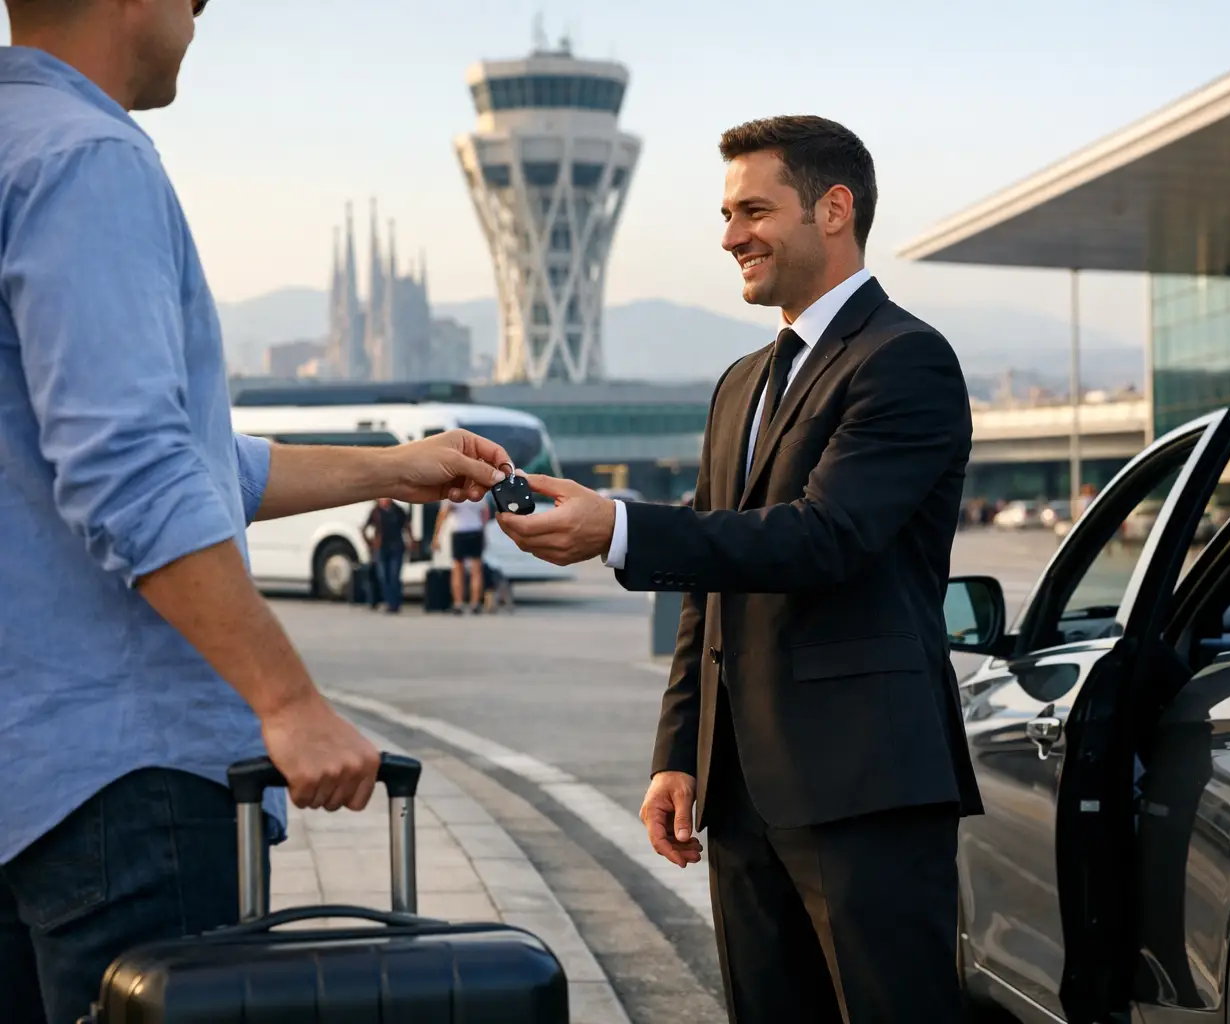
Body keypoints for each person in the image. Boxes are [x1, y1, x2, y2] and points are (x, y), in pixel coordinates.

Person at [0, 4, 513, 1022]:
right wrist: (286, 699)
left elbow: (174, 458)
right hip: (128, 782)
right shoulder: (91, 157)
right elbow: (131, 469)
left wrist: (390, 466)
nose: (201, 14)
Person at [497, 115, 982, 1023]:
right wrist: (679, 753)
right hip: (742, 796)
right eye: (725, 214)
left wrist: (620, 528)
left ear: (834, 209)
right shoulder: (740, 384)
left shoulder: (905, 360)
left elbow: (824, 536)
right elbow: (710, 593)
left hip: (864, 789)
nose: (729, 237)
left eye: (754, 210)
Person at [432, 493, 491, 614]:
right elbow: (485, 513)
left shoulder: (453, 493)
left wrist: (436, 536)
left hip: (459, 530)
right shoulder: (478, 493)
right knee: (476, 569)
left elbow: (443, 513)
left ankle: (458, 603)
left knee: (458, 569)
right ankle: (474, 603)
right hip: (476, 529)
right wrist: (484, 531)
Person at [363, 497, 414, 613]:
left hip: (397, 547)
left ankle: (394, 603)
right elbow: (364, 528)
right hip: (381, 548)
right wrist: (370, 544)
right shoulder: (376, 512)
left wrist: (411, 540)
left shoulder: (398, 510)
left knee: (394, 575)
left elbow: (406, 525)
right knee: (383, 577)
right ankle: (389, 601)